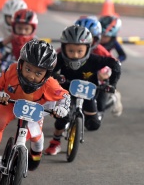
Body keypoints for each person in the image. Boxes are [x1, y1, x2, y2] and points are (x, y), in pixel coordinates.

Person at [0, 40, 71, 177]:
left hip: (35, 108)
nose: (31, 76)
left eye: (38, 73)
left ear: (47, 75)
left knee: (35, 137)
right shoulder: (11, 70)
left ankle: (36, 153)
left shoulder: (51, 84)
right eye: (28, 69)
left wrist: (62, 109)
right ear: (20, 64)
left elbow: (65, 96)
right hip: (10, 103)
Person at [44, 25, 121, 155]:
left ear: (88, 49)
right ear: (63, 48)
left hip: (88, 93)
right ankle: (55, 142)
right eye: (71, 51)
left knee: (94, 125)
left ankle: (109, 102)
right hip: (66, 92)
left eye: (80, 51)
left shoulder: (94, 59)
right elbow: (47, 70)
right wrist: (56, 76)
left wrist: (112, 84)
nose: (75, 55)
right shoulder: (60, 58)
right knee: (63, 117)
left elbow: (115, 64)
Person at [75, 16, 123, 118]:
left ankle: (108, 102)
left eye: (88, 37)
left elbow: (114, 63)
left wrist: (105, 74)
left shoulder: (100, 50)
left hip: (99, 72)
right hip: (79, 74)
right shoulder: (69, 47)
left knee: (100, 105)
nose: (83, 41)